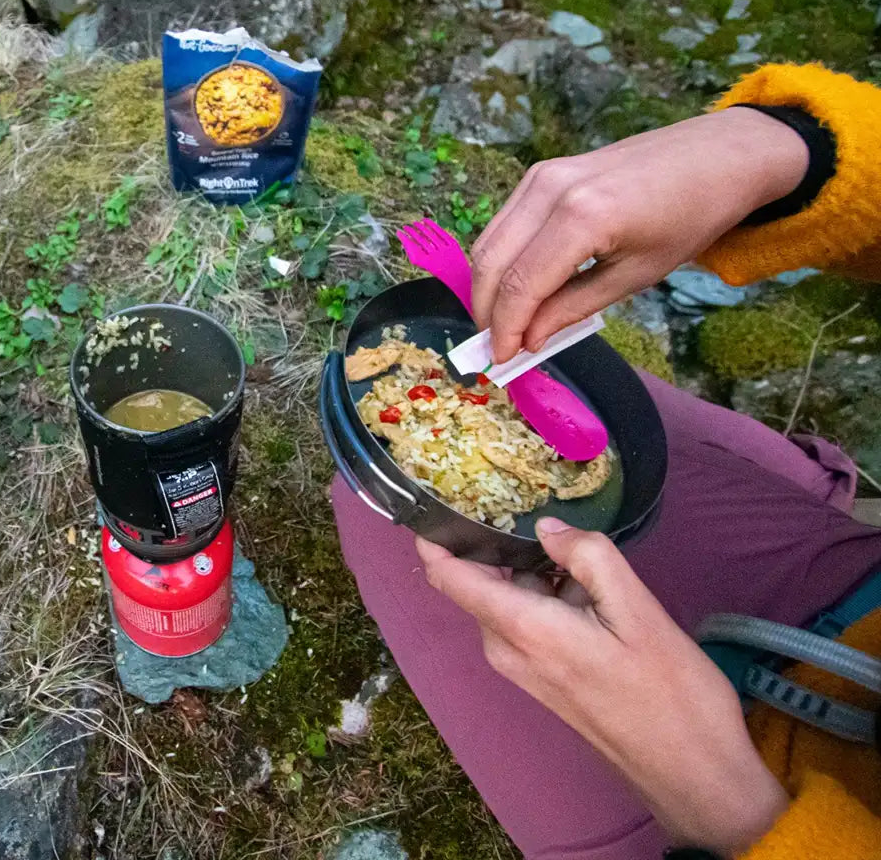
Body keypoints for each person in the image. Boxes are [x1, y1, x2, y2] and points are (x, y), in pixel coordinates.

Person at [331, 62, 881, 859]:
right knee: (606, 408)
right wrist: (791, 152)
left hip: (743, 809)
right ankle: (816, 486)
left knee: (379, 512)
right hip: (862, 599)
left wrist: (727, 809)